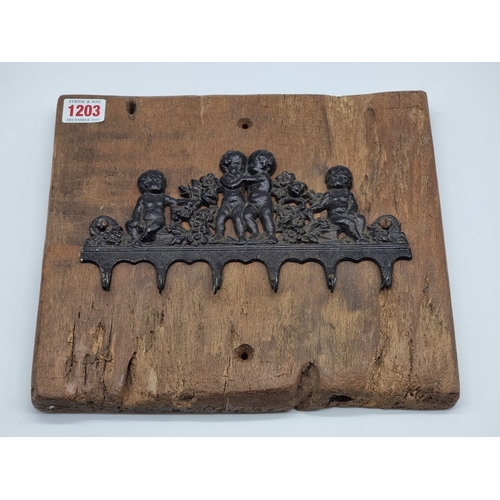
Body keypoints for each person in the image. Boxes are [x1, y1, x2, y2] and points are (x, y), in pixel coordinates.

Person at [310, 165, 366, 241]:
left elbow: (353, 204)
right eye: (332, 177)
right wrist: (312, 209)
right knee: (349, 222)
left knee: (360, 218)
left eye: (336, 177)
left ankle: (362, 235)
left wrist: (350, 212)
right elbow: (322, 205)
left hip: (348, 214)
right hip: (334, 216)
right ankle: (358, 239)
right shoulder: (329, 194)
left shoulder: (348, 194)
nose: (334, 180)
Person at [126, 170, 177, 243]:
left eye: (162, 182)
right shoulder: (143, 198)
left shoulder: (163, 197)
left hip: (158, 221)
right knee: (129, 223)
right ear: (146, 183)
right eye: (157, 180)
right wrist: (135, 219)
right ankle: (135, 239)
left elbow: (176, 202)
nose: (161, 183)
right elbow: (137, 210)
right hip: (144, 222)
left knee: (157, 223)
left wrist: (190, 200)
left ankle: (148, 232)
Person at [213, 150, 248, 243]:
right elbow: (231, 185)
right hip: (227, 202)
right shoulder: (224, 177)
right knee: (220, 217)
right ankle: (218, 235)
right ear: (228, 165)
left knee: (238, 218)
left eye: (241, 164)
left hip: (239, 202)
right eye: (236, 163)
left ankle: (241, 236)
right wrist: (241, 179)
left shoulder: (243, 177)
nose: (240, 166)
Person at [243, 150, 278, 243]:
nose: (251, 166)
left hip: (264, 201)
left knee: (266, 217)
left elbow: (249, 179)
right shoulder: (255, 175)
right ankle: (255, 232)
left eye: (254, 163)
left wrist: (241, 178)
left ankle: (271, 235)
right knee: (247, 215)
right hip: (252, 203)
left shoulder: (263, 175)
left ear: (263, 163)